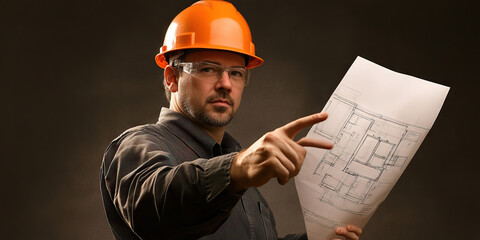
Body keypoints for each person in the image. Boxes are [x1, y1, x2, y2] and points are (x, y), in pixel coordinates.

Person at [100, 1, 362, 239]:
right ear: (172, 77)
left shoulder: (245, 185)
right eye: (208, 68)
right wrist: (236, 169)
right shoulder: (138, 146)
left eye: (236, 73)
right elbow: (155, 210)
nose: (225, 84)